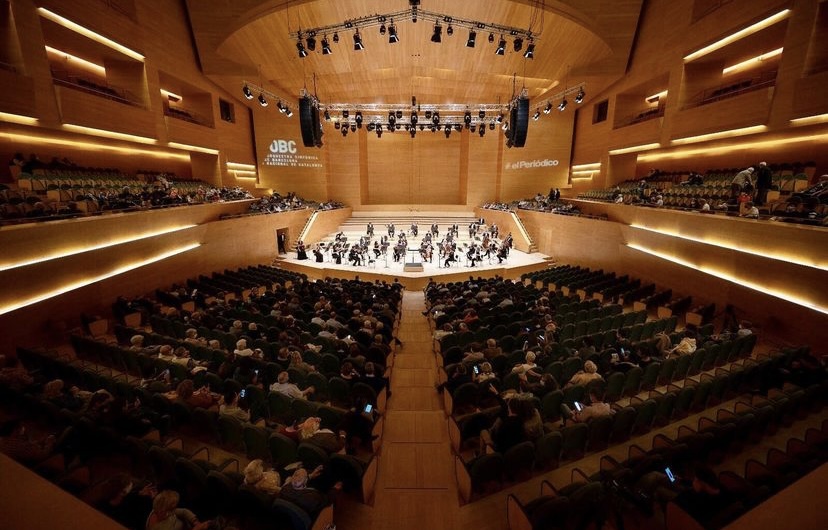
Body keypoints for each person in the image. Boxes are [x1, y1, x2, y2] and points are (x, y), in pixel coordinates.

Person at [145, 490, 211, 530]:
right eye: (171, 508)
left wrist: (195, 522)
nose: (173, 510)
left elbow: (184, 512)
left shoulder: (162, 511)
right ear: (163, 510)